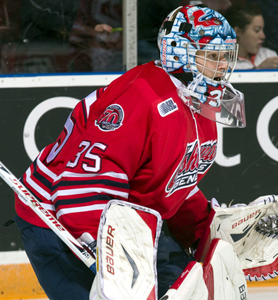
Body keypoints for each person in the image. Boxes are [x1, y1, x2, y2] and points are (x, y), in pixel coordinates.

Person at [13, 4, 246, 300]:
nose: (223, 67)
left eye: (225, 57)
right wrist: (108, 252)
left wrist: (204, 227)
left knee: (189, 288)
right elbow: (83, 182)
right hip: (57, 218)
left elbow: (171, 181)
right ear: (179, 52)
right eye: (212, 56)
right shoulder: (140, 98)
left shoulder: (196, 99)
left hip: (130, 218)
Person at [224, 3, 278, 69]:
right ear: (237, 31)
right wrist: (259, 69)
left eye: (262, 30)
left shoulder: (269, 55)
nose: (263, 36)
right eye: (257, 30)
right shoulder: (220, 63)